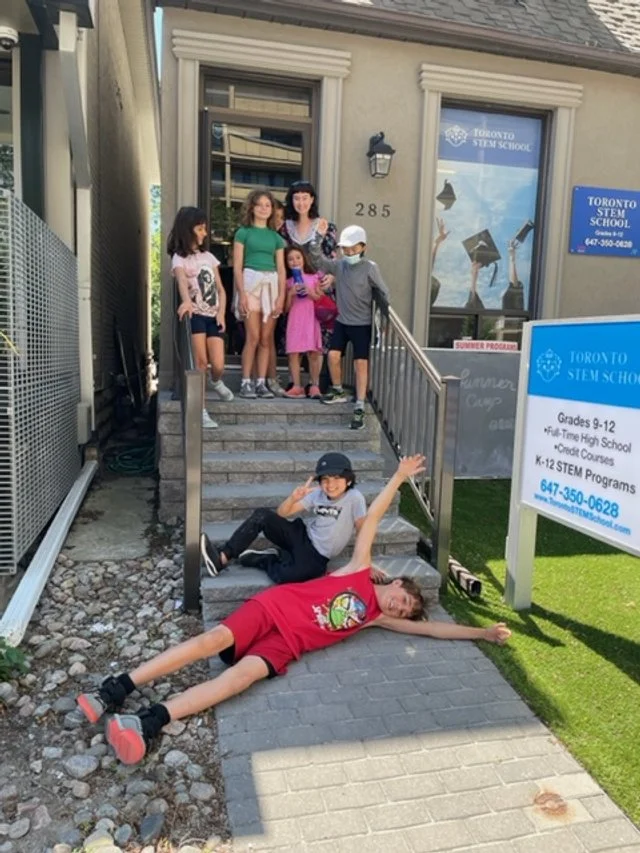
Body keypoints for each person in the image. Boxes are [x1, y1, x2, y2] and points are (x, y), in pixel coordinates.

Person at [76, 454, 511, 765]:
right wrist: (398, 477)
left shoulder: (375, 618)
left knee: (239, 680)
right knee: (213, 640)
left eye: (406, 611)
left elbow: (434, 630)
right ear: (396, 582)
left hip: (288, 646)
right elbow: (375, 519)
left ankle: (148, 722)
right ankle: (116, 688)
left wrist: (483, 634)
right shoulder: (359, 570)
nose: (401, 607)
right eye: (405, 598)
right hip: (274, 609)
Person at [200, 451, 366, 583]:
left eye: (337, 478)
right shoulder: (318, 494)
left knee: (289, 576)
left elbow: (364, 531)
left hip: (318, 555)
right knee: (262, 516)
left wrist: (364, 563)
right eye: (325, 479)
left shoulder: (354, 498)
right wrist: (293, 498)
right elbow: (282, 513)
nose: (330, 485)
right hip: (302, 535)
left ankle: (267, 558)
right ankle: (223, 557)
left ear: (348, 480)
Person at [309, 221, 390, 431]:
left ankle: (360, 406)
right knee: (333, 356)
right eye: (346, 248)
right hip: (342, 320)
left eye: (354, 248)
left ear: (363, 247)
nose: (349, 252)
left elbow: (384, 293)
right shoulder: (340, 265)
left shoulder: (370, 268)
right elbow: (317, 260)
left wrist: (383, 321)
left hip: (362, 323)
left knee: (360, 364)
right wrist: (317, 237)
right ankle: (337, 390)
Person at [168, 206, 234, 430]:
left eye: (205, 228)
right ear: (188, 230)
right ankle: (201, 411)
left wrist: (222, 313)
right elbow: (181, 281)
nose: (205, 233)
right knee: (201, 363)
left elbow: (221, 289)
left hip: (213, 316)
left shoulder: (209, 257)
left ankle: (216, 381)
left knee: (218, 364)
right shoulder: (179, 258)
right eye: (200, 229)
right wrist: (186, 301)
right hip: (196, 315)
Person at [279, 181, 339, 388]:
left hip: (318, 287)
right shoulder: (284, 228)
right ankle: (293, 382)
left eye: (305, 198)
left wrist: (332, 277)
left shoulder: (325, 226)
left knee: (319, 338)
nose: (301, 202)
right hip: (294, 289)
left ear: (312, 200)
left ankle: (317, 383)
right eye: (296, 198)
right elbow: (280, 260)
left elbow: (333, 258)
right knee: (293, 336)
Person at [233, 190, 286, 399]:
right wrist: (242, 294)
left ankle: (261, 382)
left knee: (265, 338)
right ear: (252, 207)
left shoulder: (276, 238)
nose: (264, 208)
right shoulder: (243, 233)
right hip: (250, 283)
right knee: (253, 337)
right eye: (260, 204)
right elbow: (237, 266)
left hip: (271, 286)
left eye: (268, 205)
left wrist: (281, 297)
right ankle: (246, 381)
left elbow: (281, 269)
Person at [283, 246, 324, 399]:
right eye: (290, 259)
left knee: (313, 353)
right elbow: (285, 309)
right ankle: (296, 386)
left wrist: (310, 292)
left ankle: (314, 385)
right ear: (286, 263)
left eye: (298, 258)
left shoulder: (313, 278)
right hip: (295, 319)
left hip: (311, 318)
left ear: (304, 259)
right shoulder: (287, 282)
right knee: (294, 353)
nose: (295, 261)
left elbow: (320, 299)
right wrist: (290, 294)